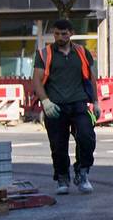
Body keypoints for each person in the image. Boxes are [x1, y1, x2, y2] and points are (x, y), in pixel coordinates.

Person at [30, 20, 99, 195]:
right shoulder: (44, 54)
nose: (60, 37)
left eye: (64, 34)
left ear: (71, 33)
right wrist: (45, 101)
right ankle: (62, 177)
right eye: (57, 34)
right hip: (55, 106)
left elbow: (91, 79)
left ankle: (82, 172)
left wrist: (96, 102)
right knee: (58, 145)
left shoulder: (82, 52)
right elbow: (37, 80)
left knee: (87, 138)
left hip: (79, 104)